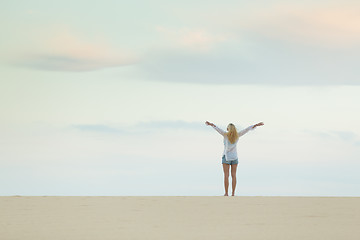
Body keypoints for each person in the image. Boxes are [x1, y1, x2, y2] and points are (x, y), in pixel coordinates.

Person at [205, 121, 264, 196]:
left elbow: (218, 129)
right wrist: (255, 125)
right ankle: (233, 193)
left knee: (226, 175)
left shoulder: (225, 135)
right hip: (234, 157)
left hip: (226, 157)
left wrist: (211, 124)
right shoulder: (237, 135)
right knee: (234, 175)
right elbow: (246, 130)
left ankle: (226, 193)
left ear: (228, 129)